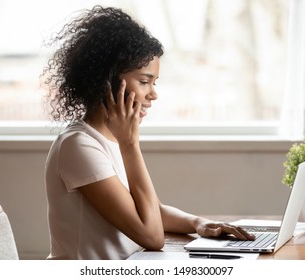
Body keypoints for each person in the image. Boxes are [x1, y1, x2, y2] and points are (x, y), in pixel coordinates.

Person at [42, 5, 254, 260]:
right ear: (106, 80)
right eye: (144, 81)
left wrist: (198, 223)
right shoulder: (78, 146)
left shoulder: (107, 140)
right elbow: (151, 236)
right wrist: (130, 144)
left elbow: (149, 211)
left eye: (154, 83)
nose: (153, 94)